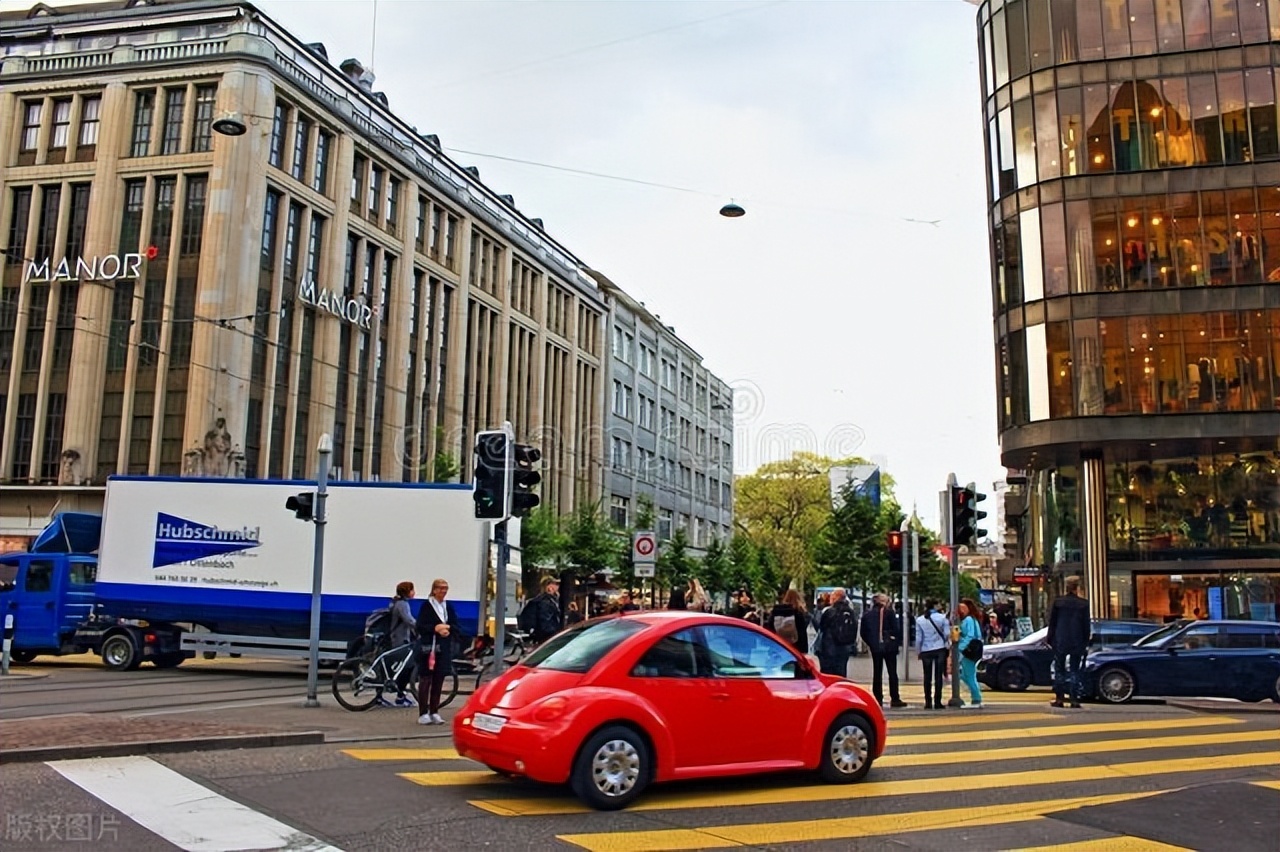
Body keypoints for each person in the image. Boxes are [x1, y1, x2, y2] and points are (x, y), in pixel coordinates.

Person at [414, 578, 464, 725]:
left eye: (446, 588)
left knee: (439, 679)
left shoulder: (449, 607)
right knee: (426, 679)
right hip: (428, 648)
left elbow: (455, 625)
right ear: (434, 590)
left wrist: (447, 629)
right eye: (441, 588)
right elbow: (420, 626)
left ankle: (434, 711)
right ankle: (423, 712)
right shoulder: (427, 606)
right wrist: (435, 628)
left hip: (443, 647)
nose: (443, 591)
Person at [1047, 575, 1090, 709]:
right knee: (1074, 670)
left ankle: (1059, 698)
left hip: (1061, 639)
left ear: (1066, 588)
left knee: (1059, 669)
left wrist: (1051, 639)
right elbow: (1086, 625)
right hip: (1077, 640)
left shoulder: (1058, 603)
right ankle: (1074, 699)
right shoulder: (1083, 604)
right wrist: (1085, 641)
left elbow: (1052, 623)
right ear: (1077, 588)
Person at [860, 593, 906, 708]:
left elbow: (863, 633)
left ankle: (877, 698)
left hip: (875, 648)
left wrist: (871, 643)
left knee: (877, 672)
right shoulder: (889, 613)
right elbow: (896, 630)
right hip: (889, 647)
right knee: (892, 672)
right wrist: (895, 641)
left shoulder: (867, 615)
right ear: (882, 601)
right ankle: (895, 698)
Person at [380, 581, 418, 708]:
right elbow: (409, 620)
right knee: (407, 667)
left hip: (397, 638)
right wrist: (422, 628)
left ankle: (392, 695)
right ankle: (400, 697)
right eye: (412, 590)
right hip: (399, 640)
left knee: (395, 668)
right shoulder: (402, 604)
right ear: (407, 591)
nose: (414, 592)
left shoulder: (397, 602)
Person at [915, 598, 950, 710]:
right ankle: (938, 701)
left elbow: (918, 639)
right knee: (938, 676)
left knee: (927, 677)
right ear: (935, 606)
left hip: (926, 650)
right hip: (940, 649)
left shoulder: (920, 620)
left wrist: (918, 651)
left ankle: (928, 702)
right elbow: (947, 634)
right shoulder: (943, 618)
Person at [816, 588, 857, 677]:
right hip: (845, 648)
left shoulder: (829, 611)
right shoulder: (850, 612)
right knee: (841, 673)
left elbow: (821, 627)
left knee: (829, 675)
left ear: (835, 598)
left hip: (829, 648)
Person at [955, 598, 984, 709]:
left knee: (969, 675)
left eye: (963, 608)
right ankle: (976, 696)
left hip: (968, 650)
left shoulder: (968, 620)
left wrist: (961, 648)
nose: (960, 610)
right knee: (967, 674)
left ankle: (976, 698)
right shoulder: (973, 619)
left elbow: (970, 635)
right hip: (973, 650)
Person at [767, 589, 809, 654]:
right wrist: (804, 651)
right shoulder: (798, 613)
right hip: (795, 648)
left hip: (779, 645)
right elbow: (802, 633)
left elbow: (770, 628)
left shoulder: (776, 612)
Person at [526, 577, 563, 644]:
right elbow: (545, 620)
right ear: (549, 586)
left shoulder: (551, 599)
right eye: (555, 584)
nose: (557, 586)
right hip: (547, 635)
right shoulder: (545, 601)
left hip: (546, 633)